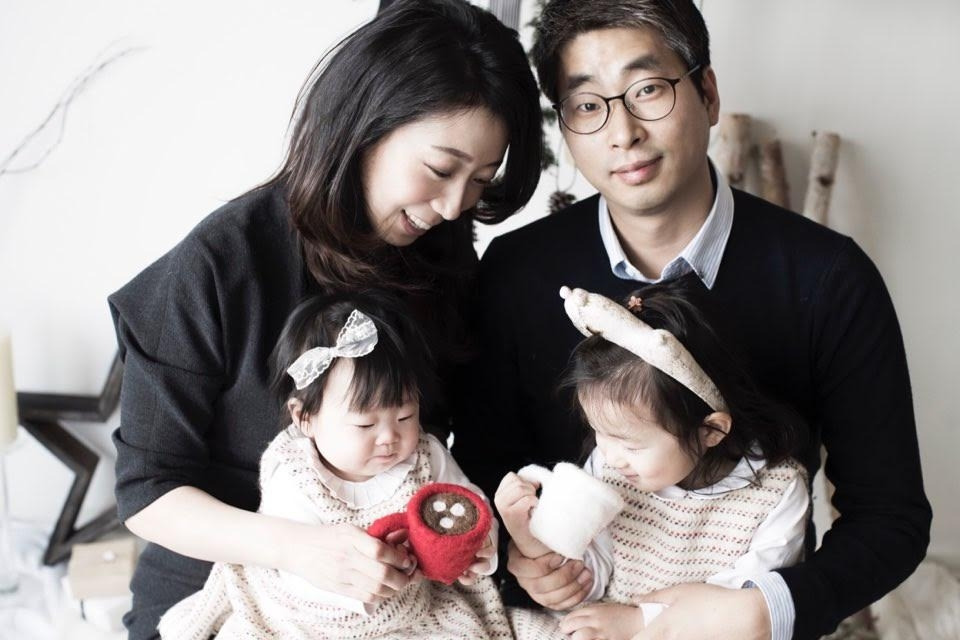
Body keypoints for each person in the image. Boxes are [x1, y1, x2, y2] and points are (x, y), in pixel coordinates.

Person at [452, 1, 931, 638]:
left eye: (648, 89)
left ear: (707, 93)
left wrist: (763, 610)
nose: (623, 133)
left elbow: (891, 518)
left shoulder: (828, 279)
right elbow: (481, 470)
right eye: (588, 105)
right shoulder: (517, 272)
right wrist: (520, 562)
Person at [107, 0, 542, 637]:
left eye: (479, 180)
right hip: (222, 593)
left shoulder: (442, 259)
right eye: (441, 169)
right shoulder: (219, 264)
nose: (454, 206)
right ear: (366, 124)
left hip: (394, 603)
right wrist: (299, 549)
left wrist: (493, 539)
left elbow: (455, 446)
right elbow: (148, 492)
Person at [157, 292, 512, 639]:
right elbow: (295, 570)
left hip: (415, 612)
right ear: (305, 418)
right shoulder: (295, 475)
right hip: (307, 616)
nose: (389, 437)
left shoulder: (425, 457)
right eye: (365, 425)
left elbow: (470, 506)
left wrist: (479, 548)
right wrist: (363, 583)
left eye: (405, 416)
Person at [496, 283, 809, 640]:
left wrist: (638, 623)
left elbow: (741, 613)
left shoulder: (775, 493)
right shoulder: (613, 467)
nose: (610, 456)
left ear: (711, 431)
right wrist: (532, 538)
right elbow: (590, 578)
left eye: (630, 445)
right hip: (603, 621)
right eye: (599, 432)